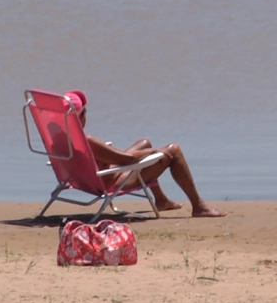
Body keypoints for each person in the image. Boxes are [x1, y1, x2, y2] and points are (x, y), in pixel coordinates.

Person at [63, 90, 226, 218]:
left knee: (144, 142)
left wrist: (142, 150)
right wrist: (153, 153)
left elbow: (116, 158)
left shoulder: (59, 138)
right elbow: (126, 159)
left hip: (89, 179)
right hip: (109, 180)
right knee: (173, 150)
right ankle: (199, 207)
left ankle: (161, 200)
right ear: (81, 117)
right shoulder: (88, 141)